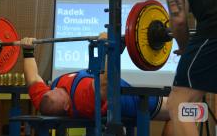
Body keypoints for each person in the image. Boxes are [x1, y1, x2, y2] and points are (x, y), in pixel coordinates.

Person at [20, 33, 171, 130]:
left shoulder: (44, 99)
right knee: (177, 111)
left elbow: (32, 78)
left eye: (52, 90)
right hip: (127, 100)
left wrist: (27, 51)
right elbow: (106, 84)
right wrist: (108, 49)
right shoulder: (82, 100)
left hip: (114, 87)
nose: (56, 88)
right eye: (58, 92)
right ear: (67, 106)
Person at [160, 0, 217, 135]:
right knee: (194, 99)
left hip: (213, 31)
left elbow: (178, 20)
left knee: (179, 102)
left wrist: (184, 48)